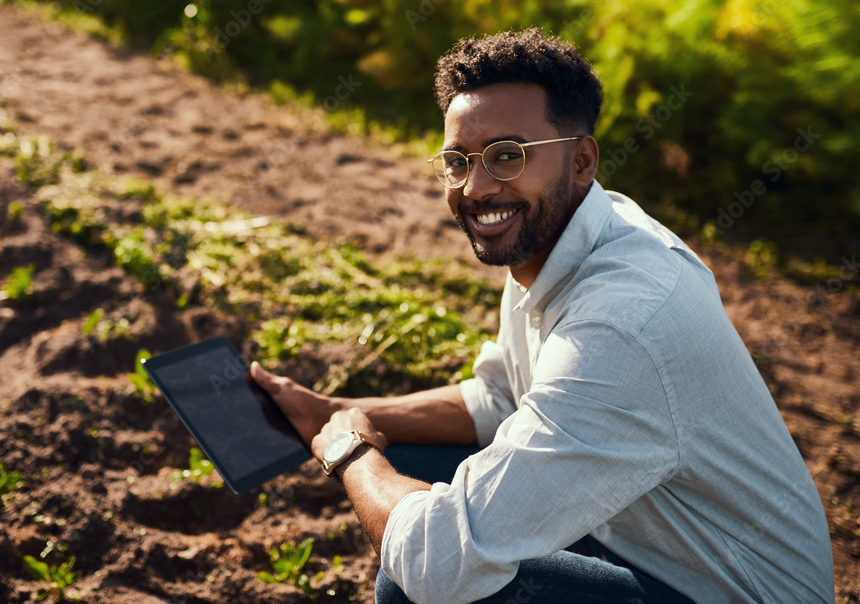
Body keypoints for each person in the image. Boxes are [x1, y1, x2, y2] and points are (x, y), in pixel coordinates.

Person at [250, 28, 835, 603]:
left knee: (413, 578)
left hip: (732, 591)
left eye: (508, 155)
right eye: (458, 160)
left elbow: (438, 566)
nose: (475, 187)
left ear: (581, 160)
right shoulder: (561, 245)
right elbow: (503, 401)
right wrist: (330, 412)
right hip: (646, 547)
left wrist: (351, 453)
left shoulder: (620, 323)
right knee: (406, 468)